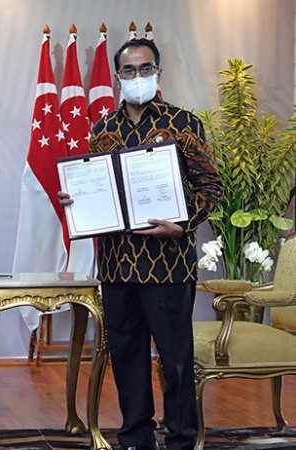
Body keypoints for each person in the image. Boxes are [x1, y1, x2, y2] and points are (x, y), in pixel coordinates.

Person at [58, 39, 222, 450]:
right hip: (116, 265)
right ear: (118, 77)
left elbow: (211, 186)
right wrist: (76, 200)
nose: (137, 77)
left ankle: (182, 438)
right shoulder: (103, 129)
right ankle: (136, 437)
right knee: (127, 356)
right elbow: (98, 191)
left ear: (158, 73)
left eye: (145, 69)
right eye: (128, 71)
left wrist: (182, 225)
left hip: (168, 264)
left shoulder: (184, 124)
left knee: (176, 359)